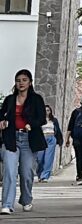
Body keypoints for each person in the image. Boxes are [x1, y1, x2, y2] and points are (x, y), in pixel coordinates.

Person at [0, 69, 47, 214]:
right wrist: (2, 121)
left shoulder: (36, 99)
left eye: (24, 80)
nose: (21, 83)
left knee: (26, 173)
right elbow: (1, 115)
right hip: (11, 139)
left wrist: (30, 124)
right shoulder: (9, 100)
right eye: (18, 80)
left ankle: (26, 200)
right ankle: (7, 204)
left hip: (28, 139)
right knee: (9, 171)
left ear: (30, 82)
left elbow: (42, 118)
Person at [35, 105, 62, 183]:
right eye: (45, 110)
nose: (46, 112)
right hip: (41, 139)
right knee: (40, 159)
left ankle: (45, 176)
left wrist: (60, 141)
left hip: (51, 139)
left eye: (48, 110)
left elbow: (58, 131)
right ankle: (40, 174)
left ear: (50, 111)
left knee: (48, 158)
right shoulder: (39, 120)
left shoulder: (54, 120)